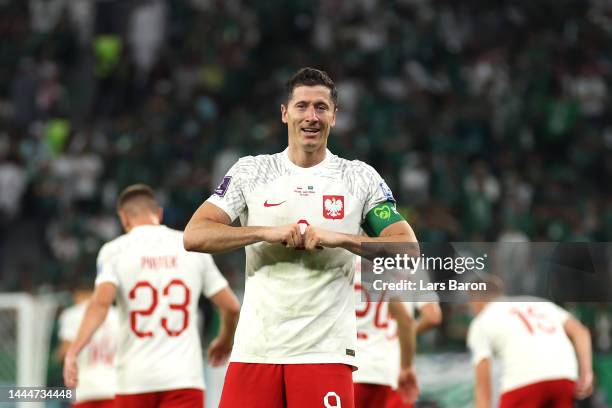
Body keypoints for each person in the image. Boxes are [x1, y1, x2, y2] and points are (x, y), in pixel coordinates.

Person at [183, 67, 419, 408]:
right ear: (284, 113)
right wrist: (265, 232)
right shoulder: (252, 171)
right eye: (302, 106)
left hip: (324, 353)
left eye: (321, 108)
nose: (312, 116)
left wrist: (339, 239)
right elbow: (195, 234)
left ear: (334, 116)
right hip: (255, 350)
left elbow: (407, 248)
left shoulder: (359, 178)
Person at [64, 184, 240, 408]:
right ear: (159, 213)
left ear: (123, 217)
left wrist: (73, 351)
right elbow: (231, 307)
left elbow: (100, 304)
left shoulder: (114, 250)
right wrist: (224, 340)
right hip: (184, 378)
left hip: (134, 381)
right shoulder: (189, 245)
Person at [467, 274, 593, 408]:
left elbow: (483, 389)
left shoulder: (481, 322)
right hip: (564, 378)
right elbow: (580, 332)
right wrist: (586, 373)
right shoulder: (539, 303)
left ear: (477, 300)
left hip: (523, 384)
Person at [353, 257, 419, 408]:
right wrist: (406, 367)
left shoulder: (343, 260)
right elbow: (407, 320)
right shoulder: (386, 269)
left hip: (349, 365)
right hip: (383, 368)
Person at [57, 281, 118, 408]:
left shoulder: (72, 314)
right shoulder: (117, 315)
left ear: (77, 294)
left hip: (84, 388)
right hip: (114, 387)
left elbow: (65, 351)